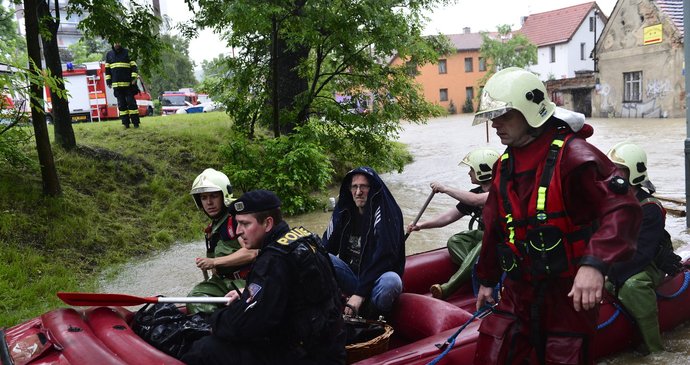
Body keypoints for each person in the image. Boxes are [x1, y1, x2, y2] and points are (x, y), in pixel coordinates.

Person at [471, 67, 642, 365]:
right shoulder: (504, 166)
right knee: (494, 351)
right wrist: (486, 278)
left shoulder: (575, 157)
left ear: (531, 113)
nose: (495, 124)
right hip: (519, 290)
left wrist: (595, 264)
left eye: (505, 115)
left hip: (568, 294)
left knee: (564, 356)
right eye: (492, 116)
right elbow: (495, 226)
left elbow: (622, 209)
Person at [181, 190, 346, 365]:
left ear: (267, 224)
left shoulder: (273, 259)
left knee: (204, 349)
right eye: (237, 224)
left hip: (307, 355)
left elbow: (249, 323)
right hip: (325, 344)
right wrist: (248, 292)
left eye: (245, 224)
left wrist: (215, 322)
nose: (238, 231)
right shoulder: (304, 238)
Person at [605, 142, 682, 354]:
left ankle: (655, 349)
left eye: (618, 169)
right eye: (611, 167)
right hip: (617, 264)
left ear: (632, 173)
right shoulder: (609, 202)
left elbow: (641, 255)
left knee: (632, 286)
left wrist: (607, 272)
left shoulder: (650, 209)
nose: (613, 174)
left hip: (648, 265)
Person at [407, 147, 499, 299]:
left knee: (485, 241)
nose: (468, 173)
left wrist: (445, 189)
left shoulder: (500, 190)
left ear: (483, 170)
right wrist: (421, 225)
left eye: (471, 169)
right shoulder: (475, 192)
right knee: (455, 241)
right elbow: (448, 217)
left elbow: (475, 201)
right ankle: (479, 271)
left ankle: (448, 288)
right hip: (485, 242)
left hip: (501, 242)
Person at [323, 166, 405, 319]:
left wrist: (360, 294)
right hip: (352, 276)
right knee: (320, 257)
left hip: (376, 280)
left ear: (372, 188)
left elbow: (385, 258)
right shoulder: (344, 210)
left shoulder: (388, 213)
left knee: (392, 281)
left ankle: (371, 316)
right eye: (354, 186)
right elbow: (327, 245)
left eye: (364, 187)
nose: (358, 192)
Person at [186, 168, 257, 315]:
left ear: (223, 195)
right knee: (195, 298)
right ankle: (210, 328)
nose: (209, 202)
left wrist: (214, 262)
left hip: (244, 281)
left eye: (213, 196)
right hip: (223, 281)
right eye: (204, 198)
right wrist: (212, 266)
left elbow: (251, 252)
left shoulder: (235, 220)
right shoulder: (214, 227)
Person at [105, 42, 141, 128]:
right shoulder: (109, 54)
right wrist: (108, 81)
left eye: (118, 42)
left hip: (128, 85)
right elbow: (107, 70)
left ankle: (136, 123)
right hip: (117, 86)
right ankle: (126, 124)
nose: (117, 44)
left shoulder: (128, 53)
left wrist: (133, 79)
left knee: (131, 104)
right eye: (115, 43)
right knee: (121, 105)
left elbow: (134, 67)